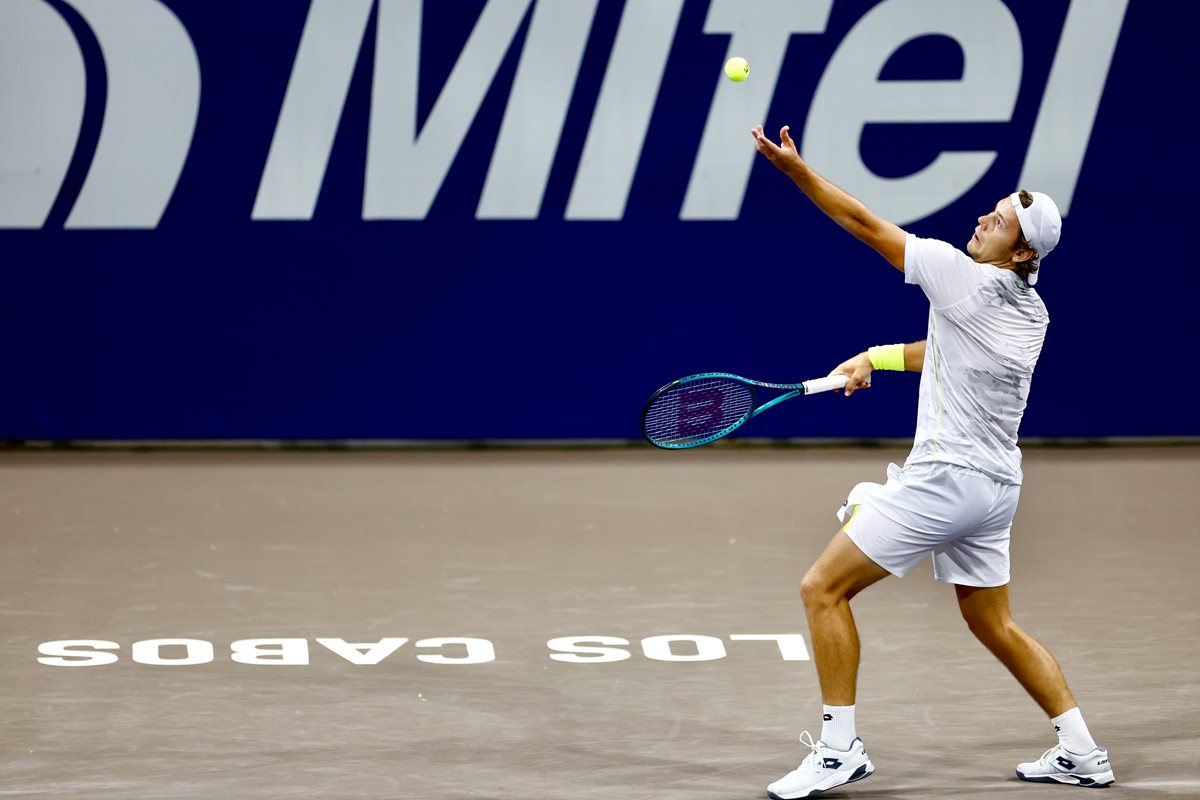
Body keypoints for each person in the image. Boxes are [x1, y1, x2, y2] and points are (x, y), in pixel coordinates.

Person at [749, 124, 1114, 799]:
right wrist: (876, 357)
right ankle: (1083, 751)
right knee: (992, 622)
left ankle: (838, 750)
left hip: (945, 482)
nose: (984, 219)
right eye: (991, 210)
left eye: (999, 222)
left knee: (822, 589)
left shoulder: (957, 274)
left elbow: (861, 222)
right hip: (997, 489)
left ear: (1021, 250)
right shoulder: (1031, 312)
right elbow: (948, 349)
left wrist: (795, 171)